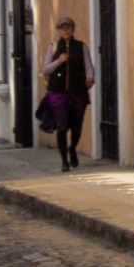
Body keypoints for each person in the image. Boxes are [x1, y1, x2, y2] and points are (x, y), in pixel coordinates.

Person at [42, 15, 95, 171]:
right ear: (58, 30)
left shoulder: (81, 46)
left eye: (68, 27)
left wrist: (90, 77)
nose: (66, 30)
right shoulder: (53, 47)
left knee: (77, 127)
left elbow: (88, 66)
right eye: (62, 28)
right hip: (58, 94)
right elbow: (45, 69)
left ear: (73, 29)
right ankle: (64, 161)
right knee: (62, 127)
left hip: (78, 92)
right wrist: (59, 61)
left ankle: (72, 149)